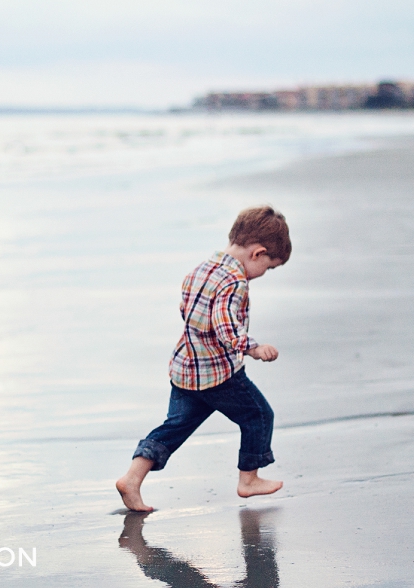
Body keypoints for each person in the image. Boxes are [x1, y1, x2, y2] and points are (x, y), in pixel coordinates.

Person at [116, 205, 292, 512]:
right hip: (219, 374)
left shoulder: (199, 270)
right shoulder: (234, 282)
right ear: (258, 253)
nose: (265, 275)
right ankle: (248, 479)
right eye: (270, 267)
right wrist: (252, 347)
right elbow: (225, 328)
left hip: (186, 369)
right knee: (259, 416)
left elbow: (188, 313)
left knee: (175, 426)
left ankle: (132, 478)